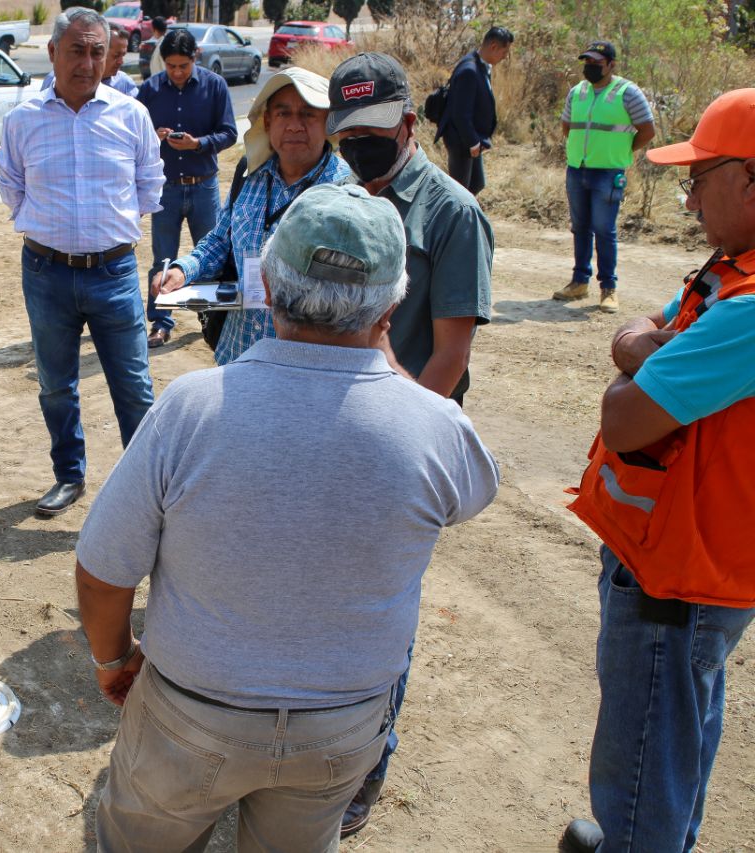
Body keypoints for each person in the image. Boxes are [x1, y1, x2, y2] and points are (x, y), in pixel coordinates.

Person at [75, 183, 500, 851]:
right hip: (340, 728)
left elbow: (103, 571)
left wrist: (113, 658)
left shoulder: (190, 408)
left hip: (192, 712)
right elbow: (474, 488)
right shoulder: (434, 427)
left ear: (266, 287)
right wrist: (380, 352)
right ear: (392, 305)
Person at [561, 88, 755, 853]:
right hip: (682, 563)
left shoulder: (748, 305)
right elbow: (639, 328)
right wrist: (650, 352)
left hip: (679, 576)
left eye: (701, 175)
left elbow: (625, 416)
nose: (690, 194)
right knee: (679, 738)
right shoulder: (731, 271)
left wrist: (642, 360)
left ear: (750, 179)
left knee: (643, 762)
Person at [327, 51, 494, 835]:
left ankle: (368, 765)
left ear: (408, 122)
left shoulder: (453, 215)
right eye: (345, 134)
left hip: (401, 445)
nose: (356, 147)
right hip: (327, 433)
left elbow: (450, 358)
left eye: (369, 132)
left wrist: (395, 440)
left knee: (384, 615)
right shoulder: (339, 197)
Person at [0, 8, 163, 517]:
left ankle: (143, 490)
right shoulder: (23, 119)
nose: (88, 62)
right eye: (77, 50)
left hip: (114, 274)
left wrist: (103, 232)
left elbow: (149, 181)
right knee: (55, 385)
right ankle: (69, 476)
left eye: (97, 51)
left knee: (134, 388)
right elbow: (11, 185)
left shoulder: (130, 114)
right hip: (46, 274)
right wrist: (53, 230)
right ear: (52, 54)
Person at [154, 67, 352, 365]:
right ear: (267, 120)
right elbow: (221, 240)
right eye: (283, 114)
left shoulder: (346, 189)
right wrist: (184, 270)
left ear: (328, 123)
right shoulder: (249, 173)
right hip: (237, 353)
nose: (295, 126)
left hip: (307, 364)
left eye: (308, 114)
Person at [137, 27, 236, 348]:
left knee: (213, 258)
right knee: (162, 260)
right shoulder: (150, 90)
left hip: (204, 186)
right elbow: (134, 136)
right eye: (171, 66)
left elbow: (229, 133)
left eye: (183, 65)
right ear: (163, 62)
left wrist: (198, 144)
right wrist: (156, 135)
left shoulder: (215, 86)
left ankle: (212, 321)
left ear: (195, 57)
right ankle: (161, 323)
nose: (177, 73)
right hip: (165, 189)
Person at [553, 41, 655, 313]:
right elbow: (567, 126)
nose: (590, 68)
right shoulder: (577, 92)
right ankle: (578, 282)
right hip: (577, 168)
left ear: (611, 65)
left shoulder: (628, 92)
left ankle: (608, 288)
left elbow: (647, 130)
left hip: (608, 173)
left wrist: (622, 151)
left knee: (604, 230)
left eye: (596, 64)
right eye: (587, 63)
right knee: (580, 227)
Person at [435, 25, 513, 195]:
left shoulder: (480, 65)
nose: (504, 57)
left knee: (476, 183)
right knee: (460, 191)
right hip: (461, 140)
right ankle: (454, 220)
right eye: (504, 53)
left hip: (470, 139)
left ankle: (466, 218)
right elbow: (460, 114)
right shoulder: (469, 71)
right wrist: (473, 142)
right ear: (493, 47)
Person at [41, 26, 138, 95]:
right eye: (116, 56)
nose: (121, 62)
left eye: (123, 55)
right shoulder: (55, 79)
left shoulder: (124, 84)